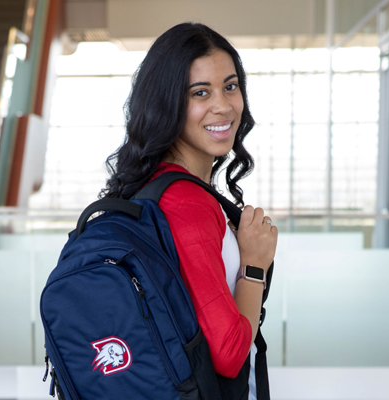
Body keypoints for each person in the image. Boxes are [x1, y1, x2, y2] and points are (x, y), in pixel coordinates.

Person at [101, 22, 278, 400]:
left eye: (230, 86)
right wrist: (254, 265)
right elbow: (228, 353)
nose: (224, 105)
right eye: (201, 92)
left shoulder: (153, 189)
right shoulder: (186, 202)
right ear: (168, 103)